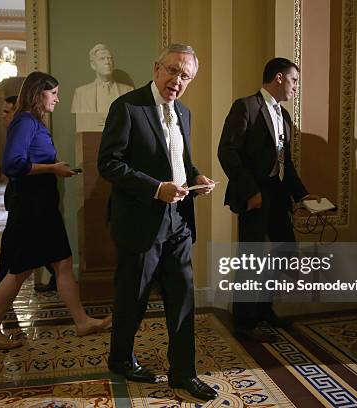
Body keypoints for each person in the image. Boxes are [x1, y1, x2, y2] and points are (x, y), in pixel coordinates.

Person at [98, 43, 217, 402]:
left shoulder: (185, 113)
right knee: (131, 299)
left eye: (186, 76)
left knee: (182, 299)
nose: (177, 80)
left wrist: (197, 179)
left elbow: (177, 161)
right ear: (156, 68)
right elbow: (109, 164)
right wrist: (155, 189)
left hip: (179, 220)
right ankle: (120, 358)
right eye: (173, 71)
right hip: (139, 221)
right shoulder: (128, 107)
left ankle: (183, 374)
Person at [0, 72, 111, 350]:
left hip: (42, 206)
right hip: (32, 208)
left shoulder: (32, 123)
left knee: (62, 263)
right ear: (40, 93)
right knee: (19, 272)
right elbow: (12, 165)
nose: (57, 98)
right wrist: (53, 168)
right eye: (54, 93)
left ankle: (82, 321)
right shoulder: (25, 121)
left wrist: (55, 168)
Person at [218, 57, 318, 342]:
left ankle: (263, 309)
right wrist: (251, 191)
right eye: (294, 80)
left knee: (285, 251)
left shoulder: (284, 116)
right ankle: (244, 323)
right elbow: (227, 152)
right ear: (278, 78)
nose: (296, 87)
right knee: (252, 258)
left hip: (278, 195)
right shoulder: (246, 106)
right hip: (254, 195)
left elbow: (286, 162)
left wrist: (302, 193)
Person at [0, 96, 57, 300]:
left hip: (30, 199)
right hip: (23, 196)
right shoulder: (21, 129)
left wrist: (54, 168)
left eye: (7, 111)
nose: (2, 115)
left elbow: (18, 165)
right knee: (41, 247)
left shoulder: (27, 127)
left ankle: (0, 291)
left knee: (17, 246)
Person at [71, 44, 133, 113]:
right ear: (93, 65)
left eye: (109, 58)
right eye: (102, 59)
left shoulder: (128, 91)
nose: (107, 62)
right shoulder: (81, 94)